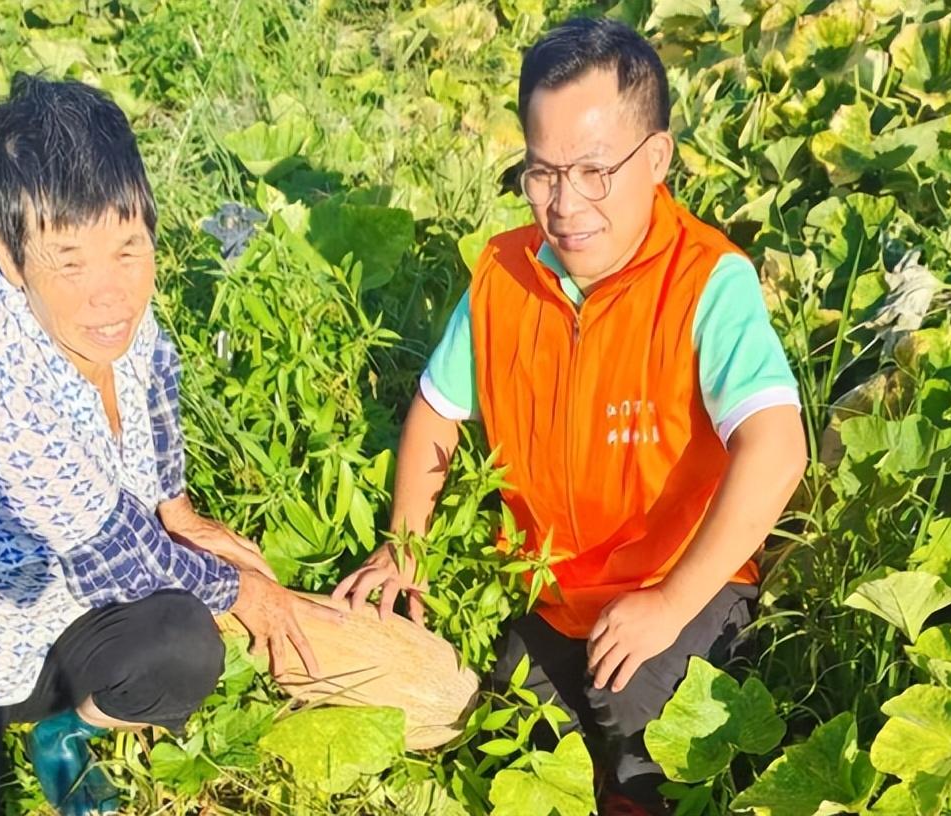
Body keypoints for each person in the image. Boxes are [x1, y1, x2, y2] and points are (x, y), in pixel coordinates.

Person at [334, 17, 807, 816]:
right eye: (543, 173)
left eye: (594, 171)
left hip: (686, 582)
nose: (565, 203)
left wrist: (669, 602)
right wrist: (401, 547)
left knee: (635, 710)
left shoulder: (706, 282)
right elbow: (435, 411)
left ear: (655, 159)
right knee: (524, 722)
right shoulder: (504, 275)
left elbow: (778, 447)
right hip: (554, 589)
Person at [0, 74, 334, 816]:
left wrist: (176, 507)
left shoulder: (116, 315)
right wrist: (251, 594)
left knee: (182, 642)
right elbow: (124, 559)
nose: (109, 294)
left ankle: (62, 734)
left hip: (51, 612)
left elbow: (158, 382)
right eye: (68, 261)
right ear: (7, 254)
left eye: (128, 249)